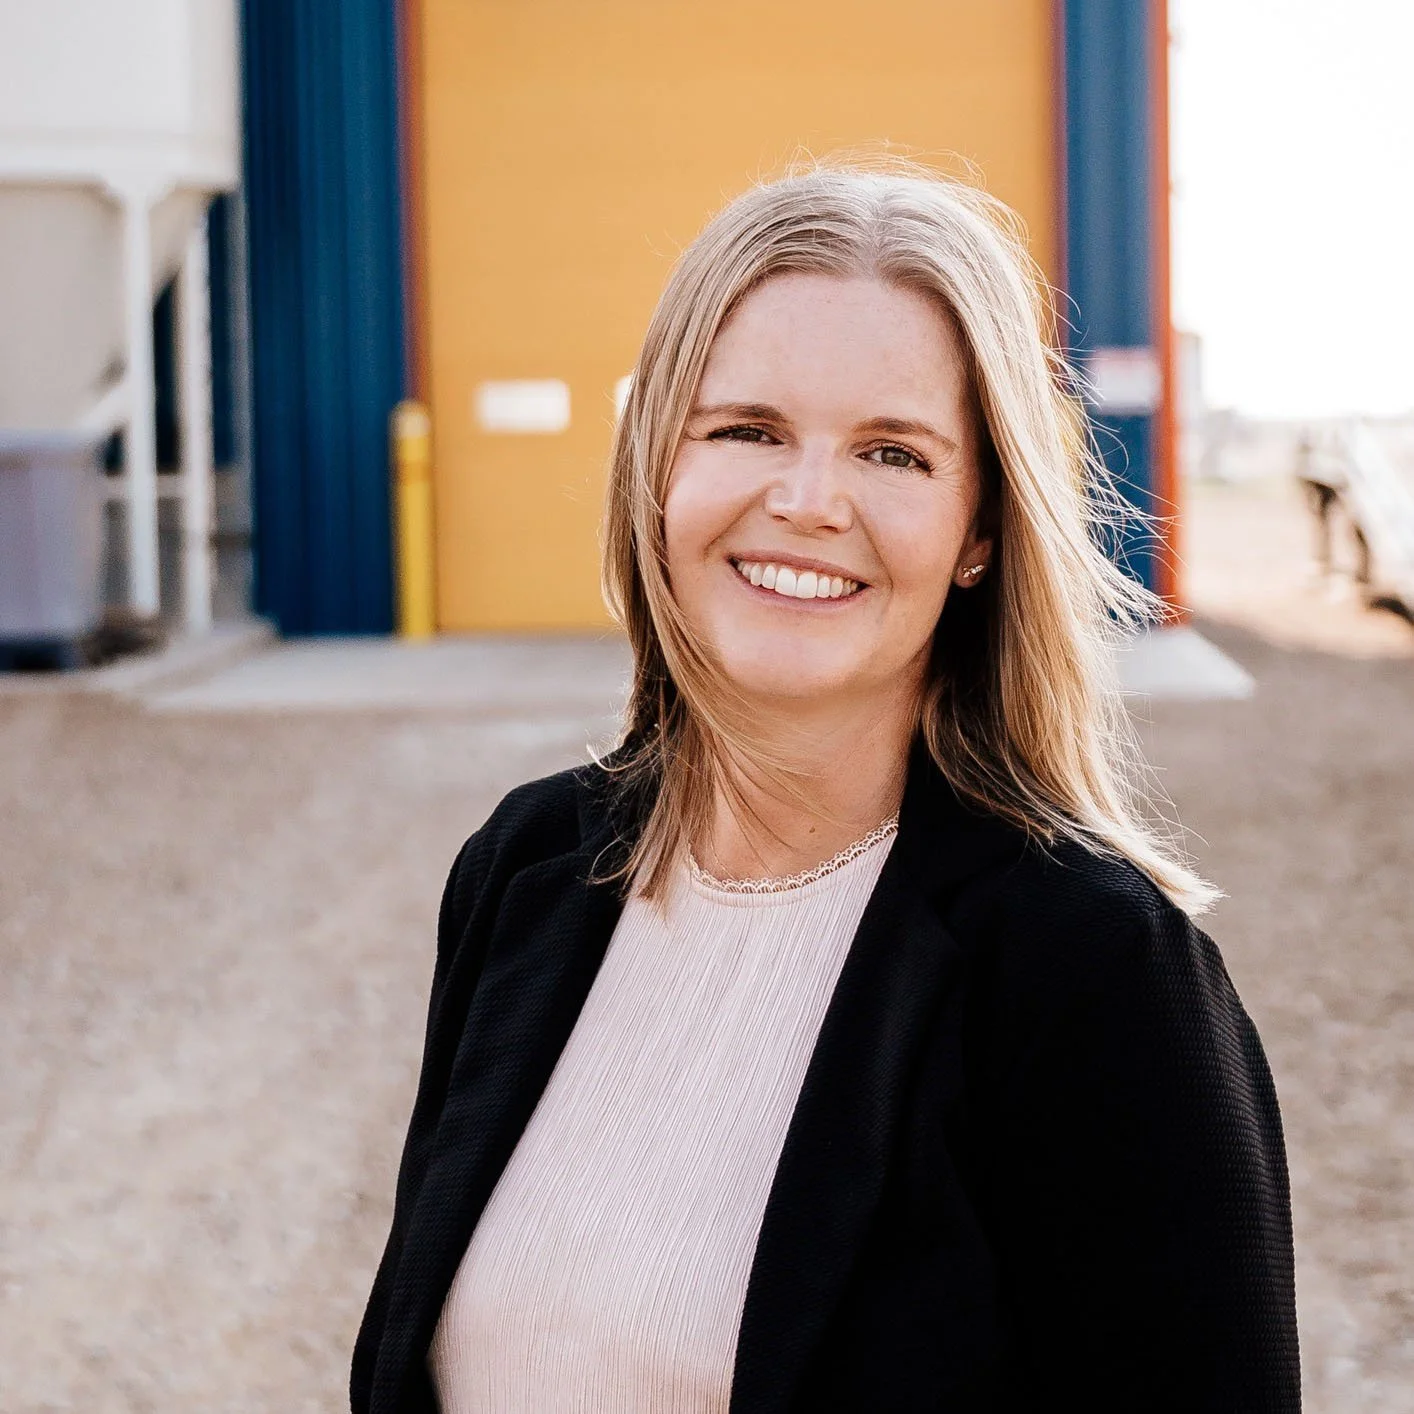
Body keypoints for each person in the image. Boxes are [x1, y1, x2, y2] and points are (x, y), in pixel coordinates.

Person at [351, 161, 1300, 1412]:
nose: (805, 502)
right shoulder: (526, 867)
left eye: (893, 453)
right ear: (656, 471)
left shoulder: (1094, 968)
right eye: (745, 429)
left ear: (980, 531)